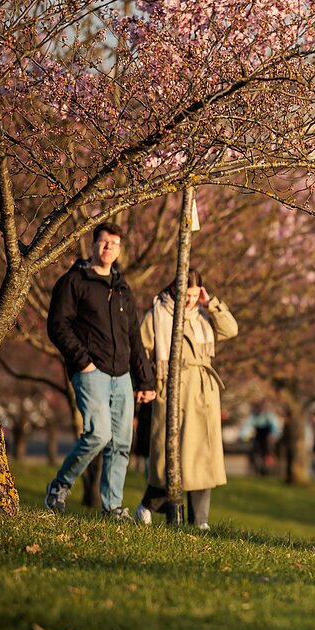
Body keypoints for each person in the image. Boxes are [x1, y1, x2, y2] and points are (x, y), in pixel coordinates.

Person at [45, 223, 156, 520]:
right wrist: (83, 361)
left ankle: (113, 507)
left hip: (122, 376)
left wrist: (145, 380)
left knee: (121, 443)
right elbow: (57, 325)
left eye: (114, 244)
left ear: (120, 250)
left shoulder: (122, 288)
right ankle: (60, 485)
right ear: (93, 244)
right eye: (104, 242)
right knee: (98, 435)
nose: (109, 248)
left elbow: (134, 336)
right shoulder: (74, 281)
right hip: (91, 371)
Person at [134, 268, 238, 530]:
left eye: (194, 294)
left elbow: (231, 329)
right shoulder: (158, 313)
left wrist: (210, 302)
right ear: (174, 288)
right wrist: (147, 383)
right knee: (169, 457)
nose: (190, 300)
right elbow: (140, 350)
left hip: (202, 394)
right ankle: (147, 506)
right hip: (171, 391)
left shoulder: (202, 314)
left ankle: (200, 520)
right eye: (186, 294)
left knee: (202, 456)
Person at [242, 401, 282, 476]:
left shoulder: (269, 416)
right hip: (258, 436)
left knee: (268, 450)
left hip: (267, 437)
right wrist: (243, 435)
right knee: (254, 450)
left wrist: (274, 435)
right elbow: (247, 425)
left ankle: (269, 465)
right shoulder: (254, 416)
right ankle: (256, 467)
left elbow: (274, 426)